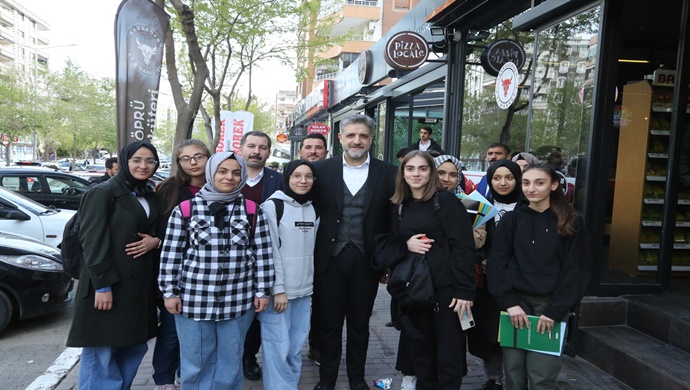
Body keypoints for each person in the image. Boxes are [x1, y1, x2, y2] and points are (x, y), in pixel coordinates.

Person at [158, 152, 274, 390]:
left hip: (238, 302)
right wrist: (170, 292)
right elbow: (171, 255)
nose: (229, 177)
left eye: (235, 172)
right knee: (195, 364)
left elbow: (263, 254)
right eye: (222, 171)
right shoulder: (185, 210)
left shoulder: (253, 211)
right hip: (194, 302)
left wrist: (263, 291)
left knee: (231, 364)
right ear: (211, 173)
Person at [311, 114, 397, 390]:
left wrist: (387, 262)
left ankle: (357, 380)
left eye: (363, 135)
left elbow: (392, 220)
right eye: (351, 135)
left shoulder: (388, 173)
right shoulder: (322, 170)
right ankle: (327, 381)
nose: (356, 140)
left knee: (359, 325)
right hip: (329, 260)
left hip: (366, 261)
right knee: (329, 325)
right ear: (340, 139)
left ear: (371, 139)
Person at [66, 141, 161, 390]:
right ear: (125, 161)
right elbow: (92, 240)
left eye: (150, 161)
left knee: (134, 347)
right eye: (137, 160)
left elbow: (151, 229)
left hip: (138, 288)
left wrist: (156, 241)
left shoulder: (149, 192)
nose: (143, 165)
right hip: (108, 285)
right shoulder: (103, 192)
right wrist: (103, 286)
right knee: (102, 353)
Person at [487, 163, 591, 390]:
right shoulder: (512, 220)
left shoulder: (570, 222)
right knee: (513, 374)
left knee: (541, 376)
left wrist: (555, 310)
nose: (531, 188)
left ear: (554, 185)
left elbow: (576, 270)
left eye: (539, 182)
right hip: (515, 306)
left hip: (550, 307)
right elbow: (497, 264)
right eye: (526, 182)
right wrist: (509, 303)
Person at [389, 150, 476, 389]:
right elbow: (386, 243)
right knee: (421, 355)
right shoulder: (399, 205)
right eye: (410, 169)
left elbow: (464, 247)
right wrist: (405, 244)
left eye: (422, 169)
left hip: (448, 291)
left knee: (449, 356)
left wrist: (465, 291)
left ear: (431, 173)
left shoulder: (445, 201)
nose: (416, 174)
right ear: (403, 173)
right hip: (415, 291)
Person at [151, 139, 210, 390]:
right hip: (175, 271)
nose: (193, 162)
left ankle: (183, 374)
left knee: (198, 335)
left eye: (198, 156)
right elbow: (158, 227)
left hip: (205, 275)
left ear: (209, 157)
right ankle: (163, 379)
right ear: (178, 163)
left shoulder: (218, 186)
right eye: (186, 158)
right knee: (172, 331)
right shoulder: (168, 189)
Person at [259, 159, 320, 389]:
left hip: (304, 290)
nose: (302, 181)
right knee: (277, 346)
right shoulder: (273, 206)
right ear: (287, 177)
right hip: (280, 293)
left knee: (295, 347)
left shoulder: (313, 207)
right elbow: (270, 251)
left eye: (308, 176)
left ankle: (290, 385)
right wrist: (278, 289)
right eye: (296, 175)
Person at [469, 159, 523, 390]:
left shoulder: (528, 205)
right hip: (487, 284)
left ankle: (517, 379)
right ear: (489, 180)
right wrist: (481, 260)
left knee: (513, 334)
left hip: (518, 282)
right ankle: (494, 378)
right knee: (488, 333)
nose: (503, 183)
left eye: (509, 177)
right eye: (496, 178)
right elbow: (466, 240)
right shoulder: (478, 204)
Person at [238, 130, 284, 380]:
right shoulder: (227, 175)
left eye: (263, 147)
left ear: (269, 152)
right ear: (242, 148)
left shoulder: (279, 179)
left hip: (266, 254)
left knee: (258, 310)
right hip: (231, 257)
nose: (257, 151)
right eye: (252, 146)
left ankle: (249, 357)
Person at [297, 133, 329, 367]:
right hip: (296, 251)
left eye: (318, 148)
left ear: (326, 152)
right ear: (300, 151)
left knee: (322, 303)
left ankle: (316, 346)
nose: (313, 151)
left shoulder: (331, 176)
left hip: (325, 251)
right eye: (308, 147)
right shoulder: (292, 178)